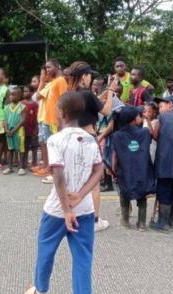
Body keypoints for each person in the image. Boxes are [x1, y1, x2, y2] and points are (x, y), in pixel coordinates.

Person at [24, 91, 103, 294]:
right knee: (83, 260)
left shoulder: (55, 140)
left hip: (57, 210)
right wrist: (80, 195)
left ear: (61, 112)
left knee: (46, 251)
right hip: (85, 208)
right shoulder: (90, 139)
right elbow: (99, 171)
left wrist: (67, 209)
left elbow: (58, 176)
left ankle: (40, 292)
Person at [65, 61, 117, 232]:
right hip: (89, 138)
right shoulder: (87, 94)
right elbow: (107, 111)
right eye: (89, 75)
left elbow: (93, 102)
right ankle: (95, 220)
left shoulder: (71, 94)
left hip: (73, 138)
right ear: (84, 76)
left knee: (77, 177)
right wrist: (110, 91)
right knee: (94, 181)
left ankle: (75, 213)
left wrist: (102, 94)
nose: (91, 78)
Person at [146, 95, 173, 232]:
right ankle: (170, 220)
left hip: (166, 161)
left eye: (161, 106)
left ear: (170, 105)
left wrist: (147, 121)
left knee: (163, 191)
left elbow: (155, 136)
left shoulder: (163, 117)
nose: (160, 110)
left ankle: (162, 223)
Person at [113, 105, 155, 231]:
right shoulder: (144, 132)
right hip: (142, 170)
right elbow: (152, 134)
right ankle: (141, 223)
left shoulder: (117, 135)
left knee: (124, 193)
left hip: (125, 170)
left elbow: (115, 156)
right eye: (139, 115)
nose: (140, 117)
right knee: (142, 195)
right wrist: (147, 120)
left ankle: (125, 219)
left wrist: (114, 169)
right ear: (134, 118)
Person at [34, 59, 68, 182]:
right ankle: (52, 171)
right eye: (46, 68)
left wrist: (61, 122)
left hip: (55, 120)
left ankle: (55, 174)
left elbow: (63, 102)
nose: (47, 70)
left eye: (49, 67)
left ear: (57, 67)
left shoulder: (61, 81)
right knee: (50, 146)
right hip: (48, 119)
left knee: (55, 148)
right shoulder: (54, 82)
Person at [3, 87, 26, 175]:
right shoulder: (6, 107)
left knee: (20, 149)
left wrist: (14, 130)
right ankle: (10, 167)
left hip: (18, 131)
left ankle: (21, 167)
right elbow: (5, 120)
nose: (11, 96)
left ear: (19, 96)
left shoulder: (22, 107)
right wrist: (6, 129)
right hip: (9, 131)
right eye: (10, 95)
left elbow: (22, 120)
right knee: (10, 149)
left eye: (13, 94)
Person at [22, 84, 39, 169]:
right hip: (24, 129)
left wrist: (36, 129)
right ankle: (24, 162)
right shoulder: (21, 103)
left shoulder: (35, 104)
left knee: (34, 146)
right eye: (24, 91)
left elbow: (37, 117)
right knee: (25, 146)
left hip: (33, 129)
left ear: (32, 93)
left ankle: (34, 163)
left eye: (26, 91)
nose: (24, 93)